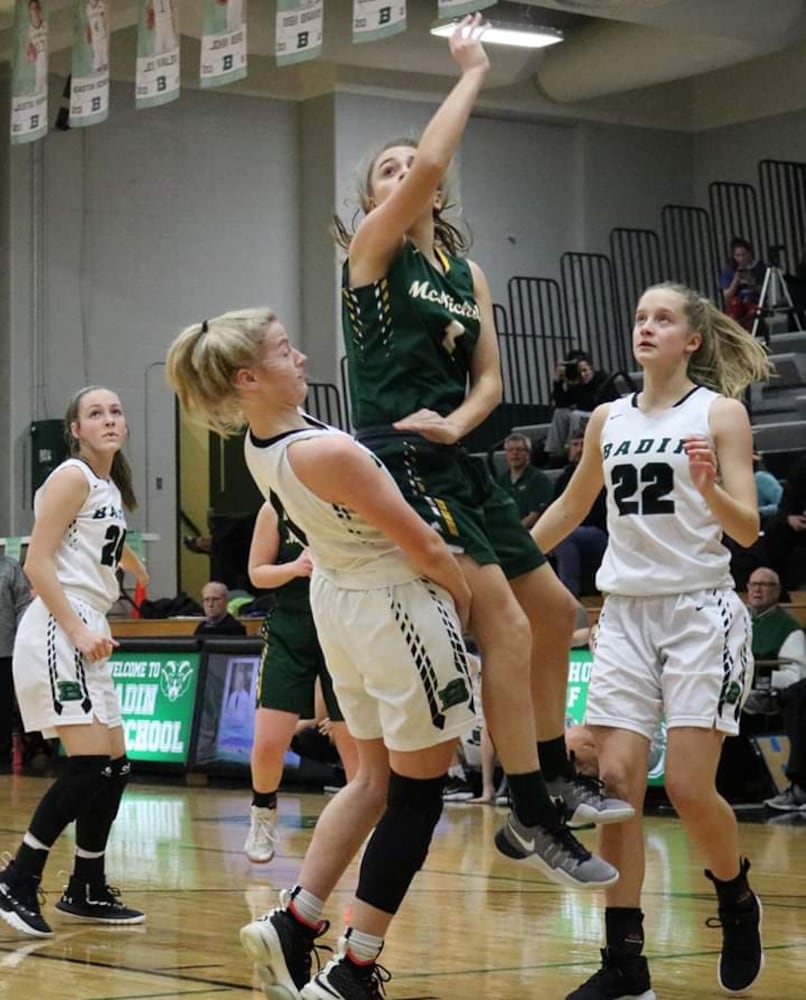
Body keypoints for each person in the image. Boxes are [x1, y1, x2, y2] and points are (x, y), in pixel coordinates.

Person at [336, 14, 631, 887]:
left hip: (459, 453)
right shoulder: (370, 254)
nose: (405, 176)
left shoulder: (468, 276)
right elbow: (432, 161)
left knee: (556, 615)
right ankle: (531, 805)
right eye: (386, 172)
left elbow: (494, 381)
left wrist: (462, 426)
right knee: (501, 620)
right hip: (398, 458)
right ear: (373, 200)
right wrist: (471, 71)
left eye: (408, 167)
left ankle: (551, 778)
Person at [166, 302, 482, 999]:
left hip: (342, 607)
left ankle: (297, 921)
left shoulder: (261, 444)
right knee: (416, 795)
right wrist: (463, 602)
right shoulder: (326, 452)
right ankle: (355, 969)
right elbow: (422, 542)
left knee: (371, 779)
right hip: (394, 606)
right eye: (284, 351)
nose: (300, 357)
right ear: (248, 378)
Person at [533, 282, 772, 998]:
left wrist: (708, 486)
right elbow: (572, 505)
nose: (646, 327)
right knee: (617, 792)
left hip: (700, 611)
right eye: (639, 317)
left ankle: (736, 898)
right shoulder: (607, 418)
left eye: (662, 319)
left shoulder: (719, 413)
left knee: (693, 788)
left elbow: (747, 530)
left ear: (691, 339)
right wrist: (500, 564)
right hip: (627, 614)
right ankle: (625, 965)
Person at [0, 386, 149, 938]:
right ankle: (18, 877)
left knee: (115, 766)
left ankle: (86, 885)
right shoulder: (72, 476)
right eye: (95, 413)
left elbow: (92, 539)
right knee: (88, 764)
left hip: (89, 619)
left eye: (115, 410)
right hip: (61, 623)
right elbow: (37, 562)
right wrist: (79, 628)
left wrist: (131, 560)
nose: (108, 419)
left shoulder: (107, 485)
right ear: (76, 429)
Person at [243, 497, 358, 865]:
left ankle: (365, 826)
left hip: (343, 626)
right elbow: (257, 574)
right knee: (267, 744)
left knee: (355, 749)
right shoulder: (274, 509)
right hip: (290, 629)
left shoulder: (347, 500)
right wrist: (294, 567)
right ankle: (263, 814)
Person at [549, 431, 608, 598]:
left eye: (583, 444)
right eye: (575, 445)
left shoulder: (603, 473)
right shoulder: (563, 478)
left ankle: (569, 598)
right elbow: (553, 509)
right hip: (573, 530)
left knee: (565, 536)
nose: (579, 449)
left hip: (600, 532)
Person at [743, 567, 806, 722]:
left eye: (764, 585)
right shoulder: (737, 619)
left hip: (765, 708)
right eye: (753, 584)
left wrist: (763, 677)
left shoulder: (788, 628)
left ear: (777, 591)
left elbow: (797, 676)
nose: (757, 589)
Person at [544, 351, 620, 462]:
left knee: (575, 415)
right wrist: (558, 381)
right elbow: (561, 403)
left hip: (604, 417)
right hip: (585, 416)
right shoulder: (575, 382)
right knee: (560, 413)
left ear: (592, 368)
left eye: (585, 370)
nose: (583, 375)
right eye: (579, 371)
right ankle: (554, 453)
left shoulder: (603, 380)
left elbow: (594, 404)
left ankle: (576, 453)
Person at [0, 555, 32, 771]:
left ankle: (2, 757)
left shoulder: (10, 567)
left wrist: (23, 637)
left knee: (2, 706)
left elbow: (23, 604)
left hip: (4, 649)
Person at [764, 453, 806, 592]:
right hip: (801, 526)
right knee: (774, 528)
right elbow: (785, 504)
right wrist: (789, 518)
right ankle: (782, 589)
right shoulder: (801, 466)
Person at [496, 432, 553, 529]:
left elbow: (534, 516)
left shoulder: (539, 479)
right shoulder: (501, 481)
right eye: (510, 450)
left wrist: (515, 532)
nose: (514, 453)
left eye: (519, 450)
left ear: (528, 454)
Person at [719, 237, 767, 333]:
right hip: (737, 304)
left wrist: (752, 282)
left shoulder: (760, 267)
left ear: (750, 253)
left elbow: (766, 292)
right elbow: (726, 296)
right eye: (738, 256)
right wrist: (736, 279)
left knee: (752, 314)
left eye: (744, 255)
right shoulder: (729, 271)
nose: (741, 258)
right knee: (734, 307)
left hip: (755, 303)